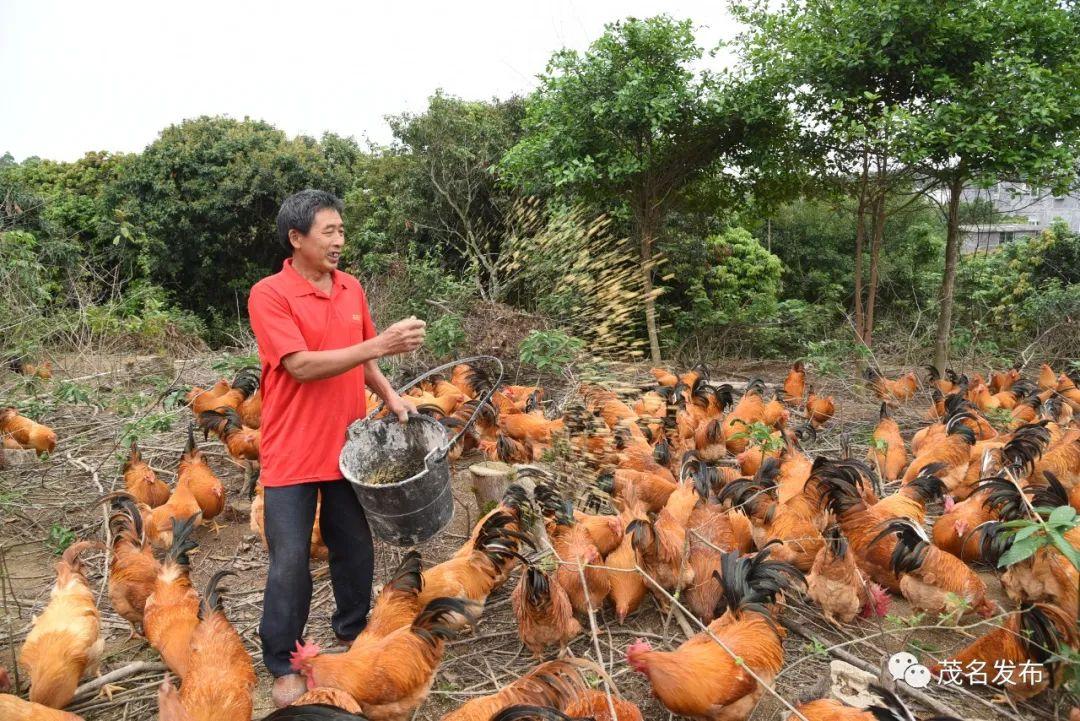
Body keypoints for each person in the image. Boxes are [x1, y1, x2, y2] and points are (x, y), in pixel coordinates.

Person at [248, 189, 426, 706]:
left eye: (341, 231)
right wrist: (380, 344)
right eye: (328, 232)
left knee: (355, 548)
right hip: (291, 450)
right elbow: (300, 366)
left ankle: (351, 636)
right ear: (296, 237)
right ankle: (283, 661)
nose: (338, 241)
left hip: (351, 449)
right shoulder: (270, 294)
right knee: (289, 561)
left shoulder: (351, 288)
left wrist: (390, 395)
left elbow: (364, 361)